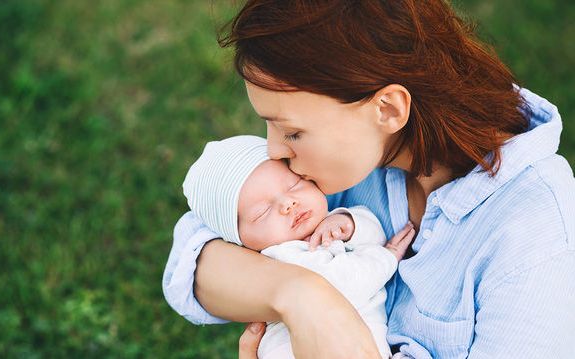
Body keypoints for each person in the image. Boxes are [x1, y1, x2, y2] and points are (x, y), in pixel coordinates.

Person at [162, 1, 575, 358]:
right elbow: (193, 253)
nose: (274, 152)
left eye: (292, 132)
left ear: (389, 109)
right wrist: (304, 298)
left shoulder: (535, 231)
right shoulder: (335, 167)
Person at [181, 135, 415, 359]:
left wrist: (350, 223)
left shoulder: (328, 220)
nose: (287, 204)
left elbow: (373, 232)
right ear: (240, 241)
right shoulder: (282, 257)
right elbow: (343, 286)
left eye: (293, 185)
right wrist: (386, 257)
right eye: (262, 213)